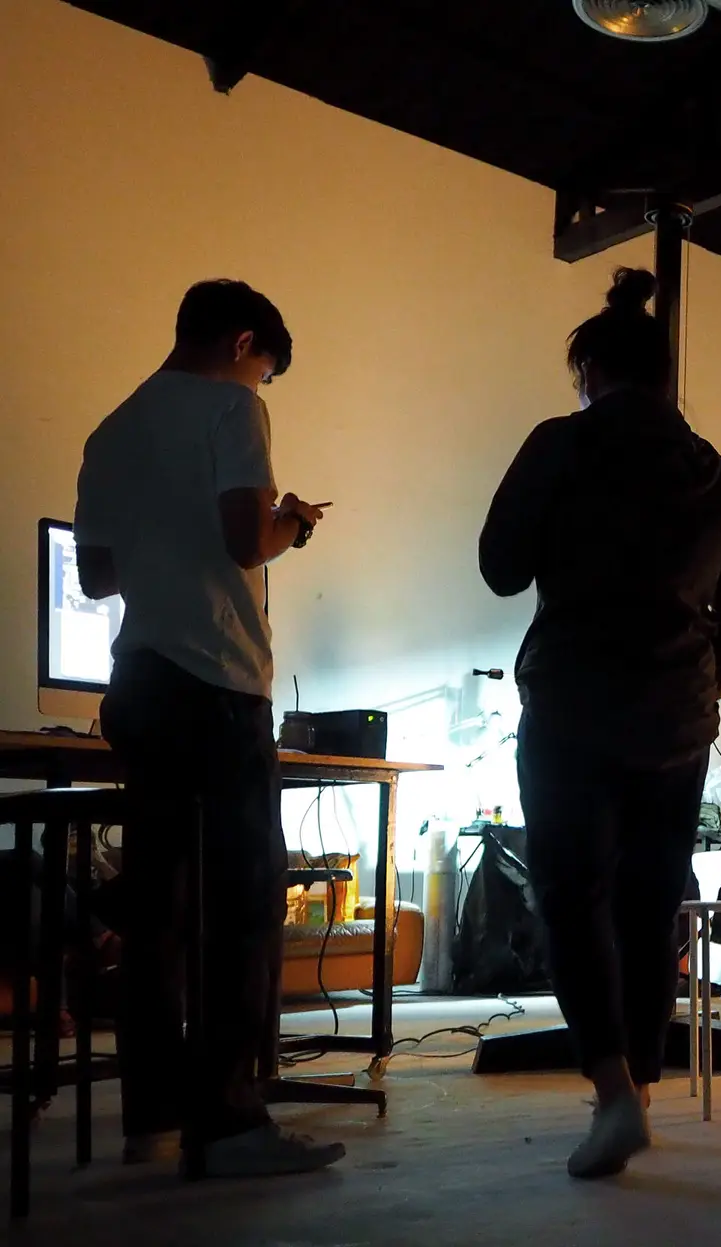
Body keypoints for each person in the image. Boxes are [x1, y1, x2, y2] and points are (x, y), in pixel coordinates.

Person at [480, 266, 721, 1180]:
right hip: (677, 720)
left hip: (573, 708)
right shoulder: (718, 474)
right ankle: (637, 1086)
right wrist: (699, 684)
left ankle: (612, 1094)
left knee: (571, 896)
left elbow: (499, 566)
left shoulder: (561, 444)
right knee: (649, 904)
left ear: (591, 371)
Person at [74, 279, 341, 1176]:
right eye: (265, 368)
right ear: (241, 344)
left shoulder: (111, 429)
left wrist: (165, 542)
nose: (261, 384)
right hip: (218, 683)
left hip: (141, 683)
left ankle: (150, 1118)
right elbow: (246, 541)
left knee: (156, 907)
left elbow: (98, 576)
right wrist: (292, 522)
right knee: (244, 903)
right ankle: (228, 1124)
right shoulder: (233, 408)